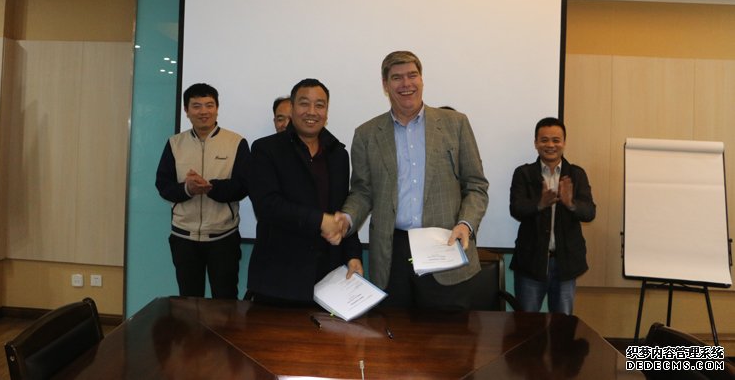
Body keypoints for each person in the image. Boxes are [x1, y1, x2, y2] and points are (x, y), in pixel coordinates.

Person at [332, 50, 489, 310]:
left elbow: (476, 186)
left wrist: (466, 224)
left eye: (412, 75)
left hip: (445, 247)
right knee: (394, 332)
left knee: (449, 332)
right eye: (397, 78)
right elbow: (362, 192)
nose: (406, 84)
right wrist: (346, 219)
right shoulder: (366, 134)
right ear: (385, 85)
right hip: (392, 253)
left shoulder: (455, 124)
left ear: (422, 79)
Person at [247, 79, 363, 304]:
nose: (312, 111)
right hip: (278, 279)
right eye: (304, 103)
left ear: (326, 112)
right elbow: (267, 206)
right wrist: (320, 220)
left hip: (328, 278)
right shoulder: (266, 149)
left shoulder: (338, 154)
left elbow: (341, 208)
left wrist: (353, 255)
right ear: (291, 108)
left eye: (319, 105)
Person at [155, 83, 250, 299]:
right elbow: (163, 185)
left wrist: (211, 188)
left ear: (217, 108)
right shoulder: (175, 144)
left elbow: (243, 185)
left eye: (209, 105)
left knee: (225, 302)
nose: (203, 111)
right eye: (196, 106)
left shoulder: (236, 142)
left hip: (223, 238)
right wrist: (187, 189)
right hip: (183, 238)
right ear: (186, 110)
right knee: (189, 302)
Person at [509, 117, 596, 315]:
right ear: (535, 143)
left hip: (565, 263)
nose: (550, 145)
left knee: (563, 325)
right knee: (526, 325)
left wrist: (570, 204)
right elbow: (516, 209)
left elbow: (590, 212)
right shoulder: (523, 173)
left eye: (556, 140)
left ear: (564, 143)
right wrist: (540, 204)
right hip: (531, 262)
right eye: (544, 140)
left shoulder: (576, 174)